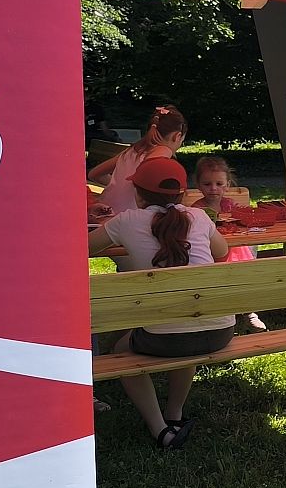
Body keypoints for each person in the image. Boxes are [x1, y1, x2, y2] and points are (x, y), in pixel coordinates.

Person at [87, 156, 234, 449]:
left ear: (139, 194)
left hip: (167, 338)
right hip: (221, 331)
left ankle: (160, 429)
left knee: (121, 351)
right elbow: (223, 252)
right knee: (187, 320)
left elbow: (84, 248)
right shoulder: (200, 216)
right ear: (183, 194)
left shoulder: (127, 220)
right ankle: (174, 414)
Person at [190, 155, 267, 333]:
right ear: (198, 185)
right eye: (207, 184)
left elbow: (242, 223)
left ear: (227, 185)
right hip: (210, 253)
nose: (213, 188)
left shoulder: (231, 205)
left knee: (244, 276)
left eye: (219, 184)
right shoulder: (197, 209)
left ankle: (249, 312)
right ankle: (223, 312)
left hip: (235, 250)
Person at [89, 105, 187, 216]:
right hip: (128, 216)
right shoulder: (163, 155)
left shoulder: (132, 151)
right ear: (177, 136)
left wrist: (121, 185)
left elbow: (94, 174)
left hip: (103, 210)